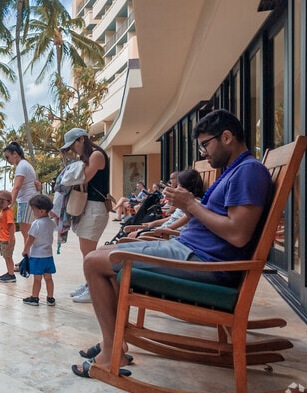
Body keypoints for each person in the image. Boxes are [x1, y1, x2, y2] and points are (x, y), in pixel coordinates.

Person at [71, 109, 272, 378]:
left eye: (205, 145)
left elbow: (238, 234)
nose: (203, 153)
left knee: (94, 261)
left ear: (226, 137)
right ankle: (114, 341)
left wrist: (190, 205)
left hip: (203, 262)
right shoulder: (236, 170)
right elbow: (220, 219)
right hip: (191, 251)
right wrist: (189, 206)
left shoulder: (249, 172)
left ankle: (111, 354)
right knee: (105, 253)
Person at [60, 128, 110, 304]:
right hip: (90, 207)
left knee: (88, 251)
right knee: (85, 249)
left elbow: (84, 178)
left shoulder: (96, 155)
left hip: (96, 208)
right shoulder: (88, 157)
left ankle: (94, 289)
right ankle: (90, 284)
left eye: (73, 145)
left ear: (81, 140)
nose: (73, 149)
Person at [127, 169, 204, 238]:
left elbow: (181, 221)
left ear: (187, 187)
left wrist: (158, 230)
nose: (176, 189)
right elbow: (173, 217)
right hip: (162, 231)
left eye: (179, 186)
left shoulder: (193, 205)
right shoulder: (187, 203)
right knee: (131, 234)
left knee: (129, 237)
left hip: (167, 235)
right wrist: (153, 223)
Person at [21, 194, 56, 306]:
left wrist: (25, 250)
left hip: (37, 256)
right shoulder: (51, 223)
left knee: (37, 279)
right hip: (48, 255)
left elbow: (30, 238)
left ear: (41, 211)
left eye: (33, 210)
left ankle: (35, 298)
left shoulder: (36, 224)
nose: (33, 212)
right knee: (48, 278)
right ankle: (50, 298)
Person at [3, 142, 40, 247]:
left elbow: (16, 187)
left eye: (7, 157)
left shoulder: (22, 166)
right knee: (27, 233)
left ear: (15, 154)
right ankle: (28, 257)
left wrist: (9, 204)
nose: (7, 160)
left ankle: (29, 259)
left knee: (27, 233)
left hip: (26, 201)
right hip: (27, 201)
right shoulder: (24, 165)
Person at [0, 190, 16, 283]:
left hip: (7, 239)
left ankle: (12, 275)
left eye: (2, 202)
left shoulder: (8, 212)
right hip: (3, 239)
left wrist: (10, 239)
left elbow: (11, 226)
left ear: (9, 202)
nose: (0, 204)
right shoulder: (3, 211)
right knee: (6, 257)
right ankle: (9, 272)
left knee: (8, 257)